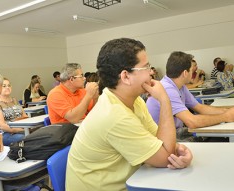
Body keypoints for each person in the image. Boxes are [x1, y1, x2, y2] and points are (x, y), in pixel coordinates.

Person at [66, 38, 193, 191]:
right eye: (146, 67)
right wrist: (164, 100)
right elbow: (165, 157)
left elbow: (160, 143)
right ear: (125, 76)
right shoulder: (114, 115)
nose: (151, 72)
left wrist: (177, 149)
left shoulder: (132, 100)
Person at [146, 51, 234, 141]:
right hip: (162, 138)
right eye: (192, 70)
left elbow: (199, 107)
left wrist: (226, 111)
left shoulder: (180, 86)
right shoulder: (167, 89)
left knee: (220, 137)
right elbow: (192, 122)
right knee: (220, 140)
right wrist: (225, 116)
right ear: (185, 73)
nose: (194, 73)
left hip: (175, 131)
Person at [0, 78, 28, 146]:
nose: (7, 87)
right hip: (5, 134)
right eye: (4, 86)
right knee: (26, 138)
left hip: (21, 130)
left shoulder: (15, 101)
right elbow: (1, 126)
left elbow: (24, 116)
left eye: (9, 85)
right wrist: (20, 130)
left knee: (37, 134)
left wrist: (26, 129)